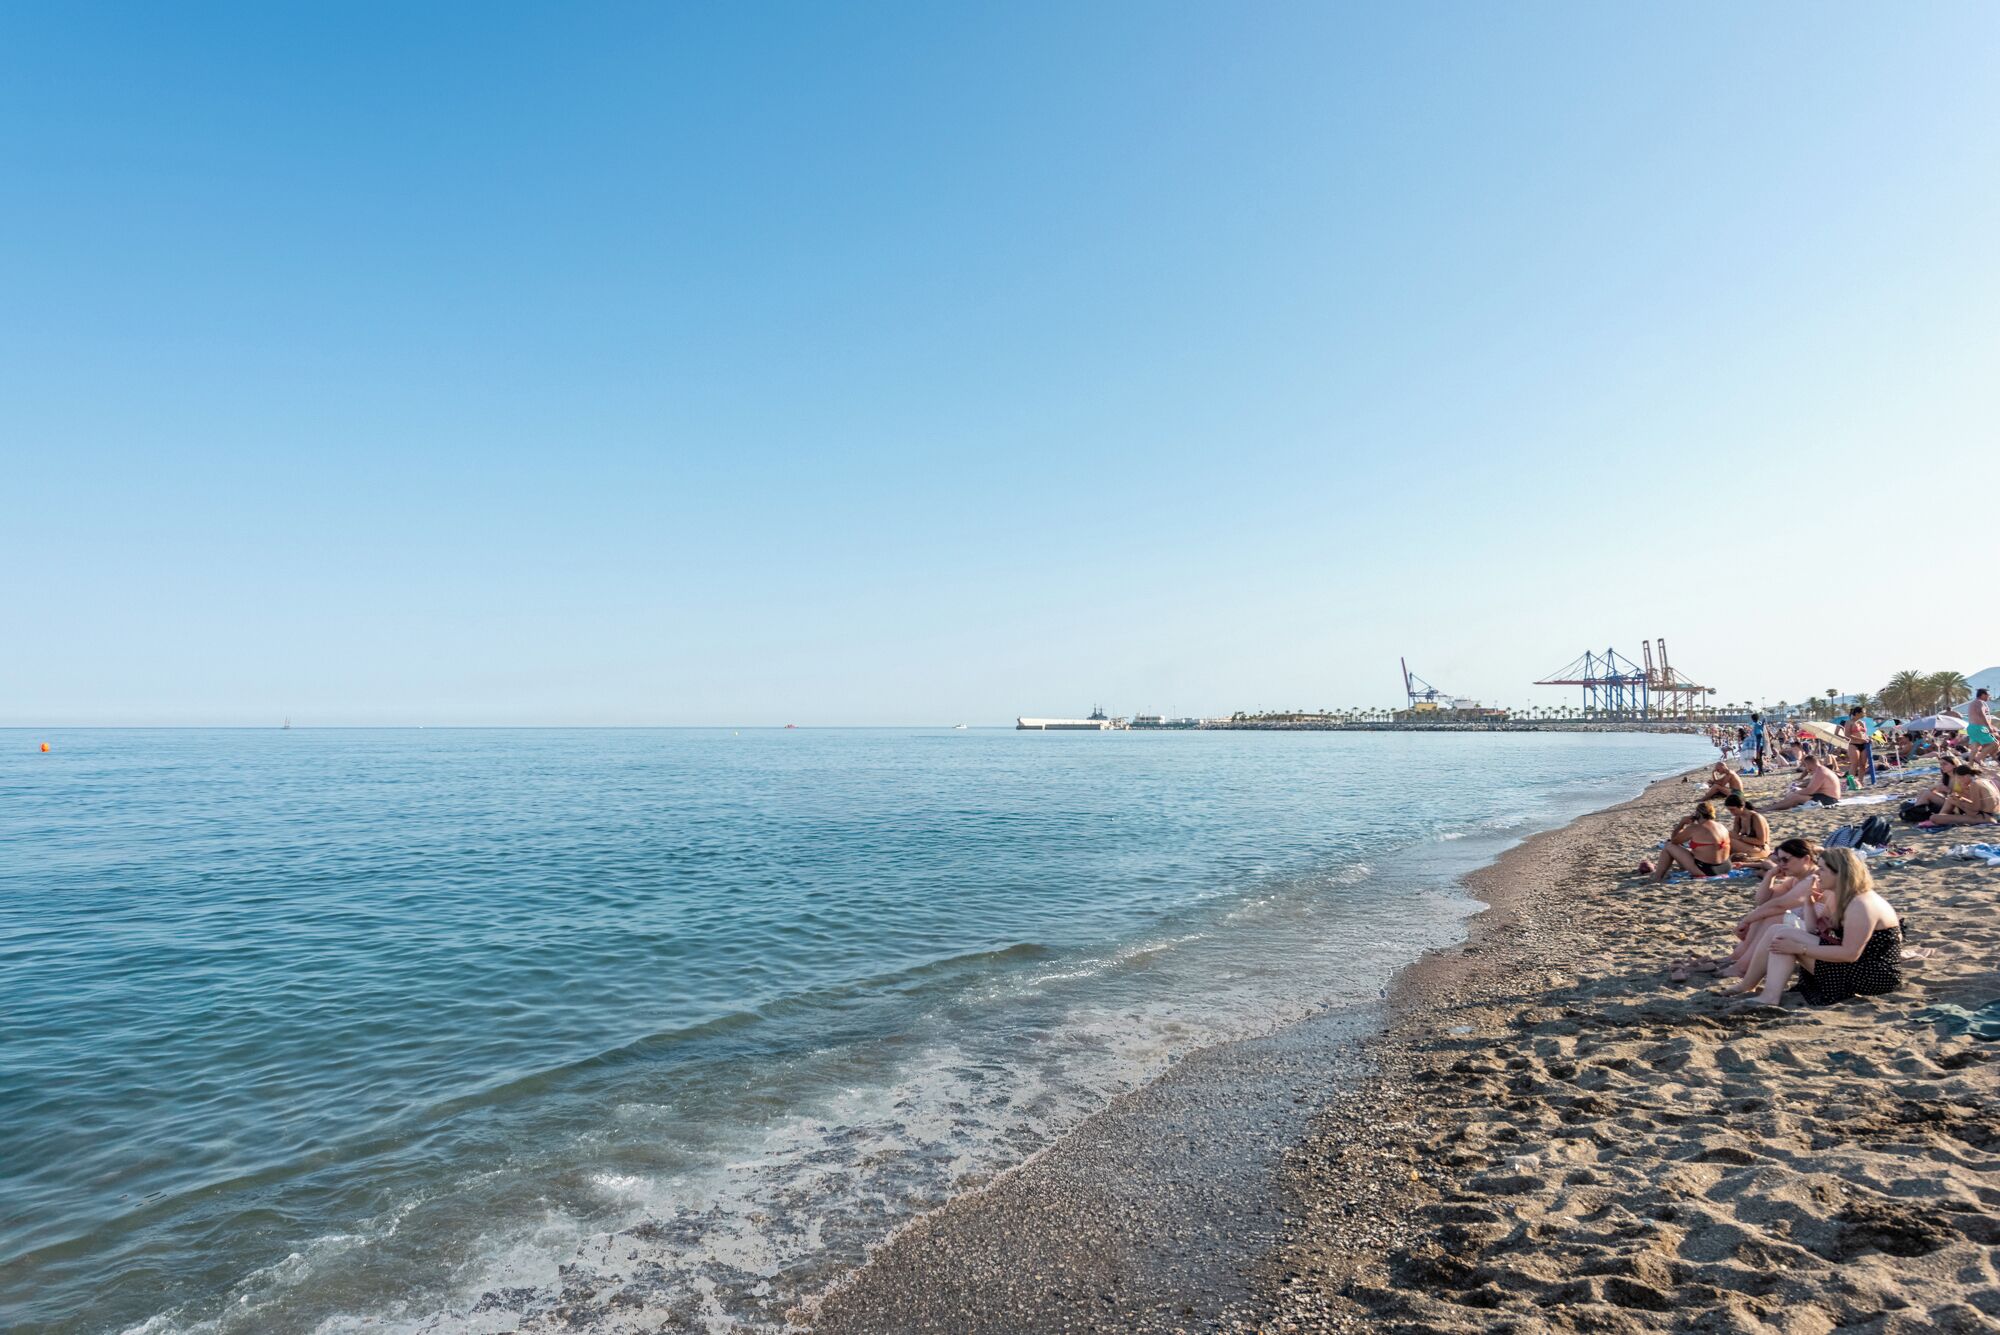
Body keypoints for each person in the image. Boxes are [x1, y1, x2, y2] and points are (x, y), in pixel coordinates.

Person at [1728, 847, 1902, 1008]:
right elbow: (1812, 931)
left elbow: (1850, 954)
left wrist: (1799, 948)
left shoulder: (1861, 905)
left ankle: (1769, 996)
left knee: (1785, 936)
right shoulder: (1837, 896)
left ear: (1840, 873)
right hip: (1855, 964)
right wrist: (1809, 904)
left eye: (1823, 869)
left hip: (1872, 975)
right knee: (1778, 931)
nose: (1817, 873)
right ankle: (1747, 985)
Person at [1679, 838, 1818, 982]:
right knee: (1763, 913)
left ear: (1806, 859)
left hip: (1819, 935)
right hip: (1808, 929)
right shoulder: (1798, 878)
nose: (1782, 865)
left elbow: (1780, 905)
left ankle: (1743, 966)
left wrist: (1746, 921)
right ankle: (1737, 957)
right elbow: (1763, 901)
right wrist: (1770, 875)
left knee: (1774, 916)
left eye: (1786, 860)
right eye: (1779, 860)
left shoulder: (1814, 878)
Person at [1650, 802, 1731, 881]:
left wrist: (1681, 824)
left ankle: (1657, 877)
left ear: (1698, 814)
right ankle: (1682, 868)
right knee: (1691, 850)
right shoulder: (1721, 826)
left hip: (1707, 870)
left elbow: (1674, 841)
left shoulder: (1695, 828)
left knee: (1668, 846)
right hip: (1726, 867)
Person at [1921, 763, 2000, 827]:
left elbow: (1975, 808)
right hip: (1992, 814)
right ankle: (1943, 817)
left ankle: (1941, 818)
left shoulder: (1974, 784)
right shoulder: (1984, 780)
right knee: (1951, 798)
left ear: (1965, 776)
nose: (1958, 781)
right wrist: (1960, 799)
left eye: (1958, 778)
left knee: (1934, 817)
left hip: (1985, 818)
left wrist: (1959, 802)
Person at [1765, 752, 1841, 810]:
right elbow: (1812, 784)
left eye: (1805, 765)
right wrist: (1798, 787)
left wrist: (1794, 793)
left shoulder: (1820, 772)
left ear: (1808, 764)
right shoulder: (1821, 770)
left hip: (1829, 799)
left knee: (1795, 797)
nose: (1806, 768)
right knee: (1794, 795)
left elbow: (1810, 791)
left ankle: (1767, 809)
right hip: (1827, 797)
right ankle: (1776, 805)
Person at [1724, 793, 1769, 863]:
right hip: (1750, 847)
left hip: (1761, 849)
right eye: (1729, 810)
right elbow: (1734, 834)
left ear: (1742, 806)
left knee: (1730, 841)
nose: (1731, 813)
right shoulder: (1738, 817)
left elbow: (1761, 841)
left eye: (1733, 809)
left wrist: (1740, 837)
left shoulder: (1755, 817)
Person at [1970, 687, 1997, 764]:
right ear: (1982, 695)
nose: (1989, 696)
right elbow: (1982, 714)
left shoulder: (1973, 703)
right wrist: (1988, 726)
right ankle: (1979, 758)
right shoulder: (1980, 702)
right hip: (1981, 728)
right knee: (1995, 743)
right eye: (1988, 695)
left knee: (1975, 749)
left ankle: (1970, 766)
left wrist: (1991, 726)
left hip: (1973, 727)